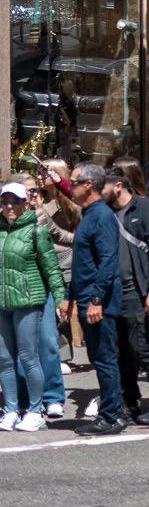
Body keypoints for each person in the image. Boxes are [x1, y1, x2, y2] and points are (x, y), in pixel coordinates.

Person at [106, 163, 149, 428]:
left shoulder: (145, 210)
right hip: (117, 291)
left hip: (141, 290)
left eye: (102, 188)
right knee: (123, 350)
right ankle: (130, 401)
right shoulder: (107, 212)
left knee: (143, 345)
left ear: (118, 186)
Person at [0, 180, 65, 431]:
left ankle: (36, 410)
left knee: (29, 357)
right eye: (5, 201)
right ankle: (11, 409)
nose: (9, 206)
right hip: (3, 303)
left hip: (28, 301)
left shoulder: (38, 231)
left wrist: (60, 298)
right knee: (5, 360)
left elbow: (51, 268)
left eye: (14, 201)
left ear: (26, 202)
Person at [67, 162, 127, 433]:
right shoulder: (88, 214)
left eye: (73, 182)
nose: (70, 186)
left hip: (98, 301)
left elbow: (107, 262)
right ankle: (112, 412)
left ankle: (111, 416)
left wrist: (95, 299)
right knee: (99, 357)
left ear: (88, 185)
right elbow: (83, 262)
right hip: (85, 296)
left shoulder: (101, 216)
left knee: (105, 359)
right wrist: (70, 296)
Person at [29, 167, 76, 419]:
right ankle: (22, 400)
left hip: (43, 287)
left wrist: (60, 296)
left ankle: (53, 397)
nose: (16, 203)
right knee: (16, 350)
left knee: (48, 343)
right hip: (12, 293)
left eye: (31, 192)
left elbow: (51, 259)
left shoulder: (41, 218)